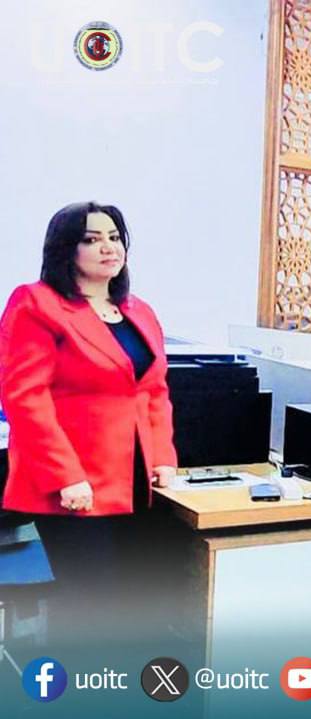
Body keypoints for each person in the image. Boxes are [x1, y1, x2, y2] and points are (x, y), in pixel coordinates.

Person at [0, 202, 178, 647]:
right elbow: (25, 397)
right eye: (92, 239)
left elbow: (154, 391)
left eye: (114, 238)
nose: (108, 247)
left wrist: (163, 458)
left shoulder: (138, 311)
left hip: (134, 481)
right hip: (75, 486)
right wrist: (66, 476)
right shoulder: (36, 303)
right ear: (66, 248)